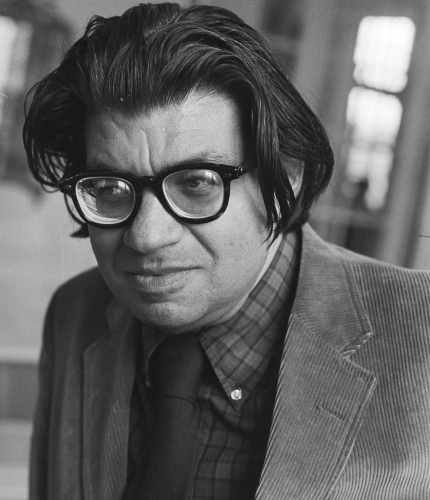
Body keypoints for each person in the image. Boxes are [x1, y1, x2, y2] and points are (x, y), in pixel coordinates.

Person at [23, 3, 430, 499]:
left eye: (196, 183)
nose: (146, 237)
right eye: (109, 188)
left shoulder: (421, 334)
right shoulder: (75, 313)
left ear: (287, 178)